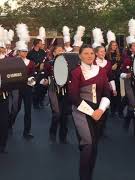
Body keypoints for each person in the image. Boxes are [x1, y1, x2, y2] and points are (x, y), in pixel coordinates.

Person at [68, 45, 111, 180]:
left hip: (99, 111)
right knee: (88, 144)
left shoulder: (102, 71)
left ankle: (89, 175)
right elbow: (73, 97)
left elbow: (106, 92)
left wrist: (100, 109)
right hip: (81, 111)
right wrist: (91, 112)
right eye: (86, 53)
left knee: (94, 146)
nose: (89, 56)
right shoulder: (76, 72)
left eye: (91, 53)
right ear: (80, 56)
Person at [9, 36, 36, 140]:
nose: (24, 53)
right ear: (18, 51)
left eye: (25, 51)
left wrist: (32, 80)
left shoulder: (31, 62)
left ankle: (27, 131)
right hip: (16, 88)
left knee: (28, 110)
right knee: (16, 108)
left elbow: (34, 74)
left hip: (28, 88)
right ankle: (10, 124)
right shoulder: (13, 61)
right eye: (22, 51)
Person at [45, 45, 71, 144]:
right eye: (58, 51)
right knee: (57, 113)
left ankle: (63, 136)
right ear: (54, 53)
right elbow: (45, 74)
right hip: (53, 90)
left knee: (64, 114)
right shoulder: (49, 64)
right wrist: (45, 80)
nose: (61, 52)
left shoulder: (68, 63)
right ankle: (52, 133)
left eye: (62, 50)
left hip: (65, 90)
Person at [120, 39, 135, 131]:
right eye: (134, 46)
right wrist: (126, 75)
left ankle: (128, 120)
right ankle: (130, 122)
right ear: (131, 49)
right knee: (133, 103)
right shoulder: (127, 59)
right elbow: (121, 72)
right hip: (128, 83)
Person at [27, 38, 47, 109]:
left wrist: (42, 64)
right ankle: (35, 103)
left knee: (43, 87)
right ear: (37, 44)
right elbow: (28, 63)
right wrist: (34, 65)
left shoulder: (43, 52)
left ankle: (41, 100)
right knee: (34, 89)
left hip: (42, 73)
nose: (42, 44)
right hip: (33, 73)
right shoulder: (30, 53)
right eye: (41, 43)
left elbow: (45, 60)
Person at [106, 41, 123, 117]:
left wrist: (118, 64)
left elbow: (121, 62)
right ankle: (112, 111)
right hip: (110, 75)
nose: (114, 47)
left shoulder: (119, 54)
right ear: (110, 46)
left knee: (118, 94)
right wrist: (111, 67)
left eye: (115, 45)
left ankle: (119, 111)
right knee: (112, 93)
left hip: (117, 75)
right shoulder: (107, 55)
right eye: (113, 45)